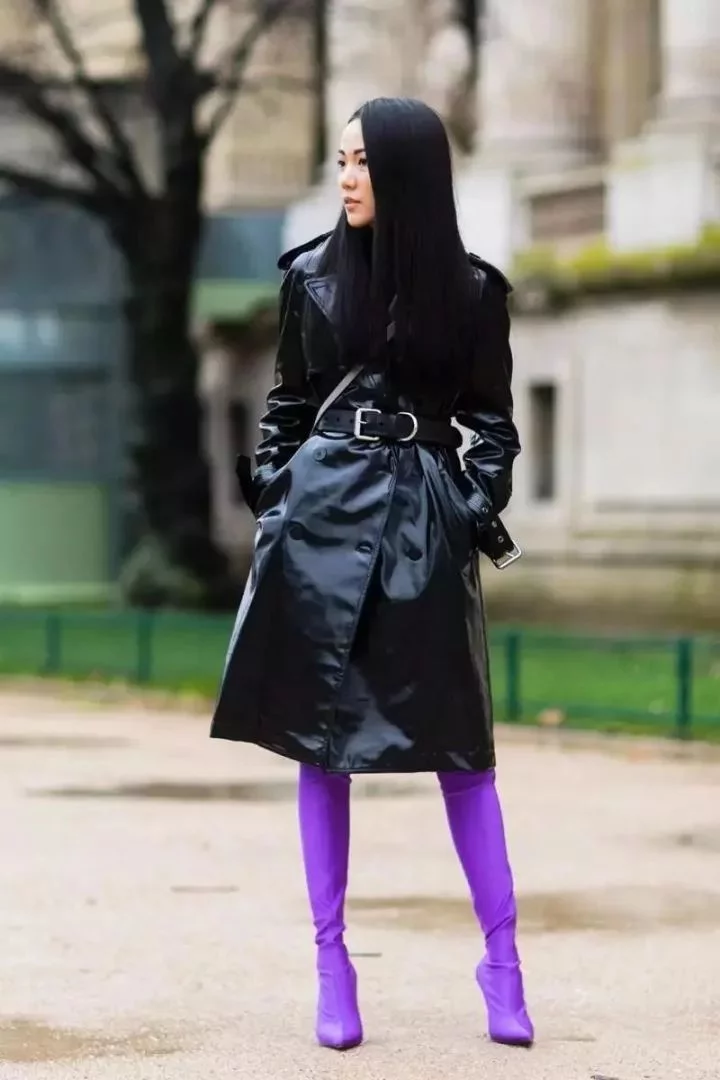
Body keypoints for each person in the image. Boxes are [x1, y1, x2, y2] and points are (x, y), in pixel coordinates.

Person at [211, 96, 533, 1052]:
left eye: (362, 162)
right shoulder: (310, 277)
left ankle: (504, 963)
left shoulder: (472, 292)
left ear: (407, 175)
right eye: (342, 160)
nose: (346, 177)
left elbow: (494, 426)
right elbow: (285, 407)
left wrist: (465, 508)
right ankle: (332, 965)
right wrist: (279, 496)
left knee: (463, 753)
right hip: (317, 530)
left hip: (423, 532)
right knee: (321, 746)